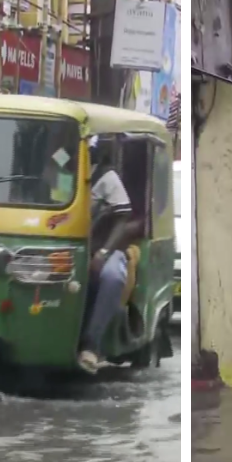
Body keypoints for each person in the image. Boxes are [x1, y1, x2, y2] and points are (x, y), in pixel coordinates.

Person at [79, 138, 139, 374]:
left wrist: (103, 252)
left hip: (105, 248)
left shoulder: (107, 177)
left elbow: (123, 216)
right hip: (69, 244)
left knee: (113, 277)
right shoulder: (60, 171)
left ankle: (91, 345)